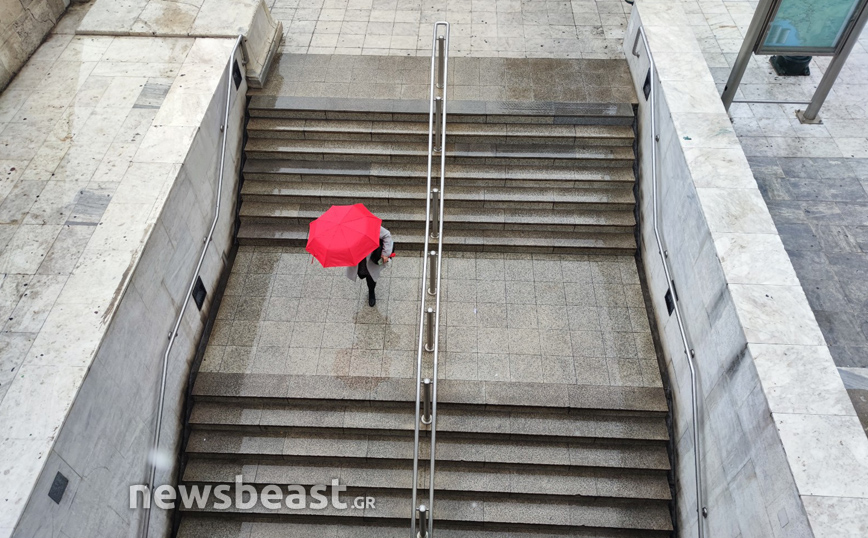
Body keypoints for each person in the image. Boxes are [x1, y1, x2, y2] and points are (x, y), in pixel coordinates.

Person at [346, 226, 392, 307]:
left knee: (370, 276)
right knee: (361, 273)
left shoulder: (369, 226)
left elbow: (386, 235)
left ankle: (371, 292)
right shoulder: (345, 231)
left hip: (369, 259)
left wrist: (385, 253)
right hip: (357, 258)